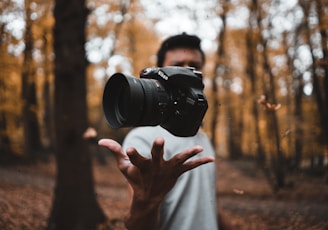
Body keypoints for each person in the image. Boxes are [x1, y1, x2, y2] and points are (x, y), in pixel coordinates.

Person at [99, 33, 231, 230]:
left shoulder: (202, 138)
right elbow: (137, 225)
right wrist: (148, 201)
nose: (187, 72)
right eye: (179, 65)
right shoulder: (143, 139)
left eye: (194, 66)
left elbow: (211, 204)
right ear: (161, 71)